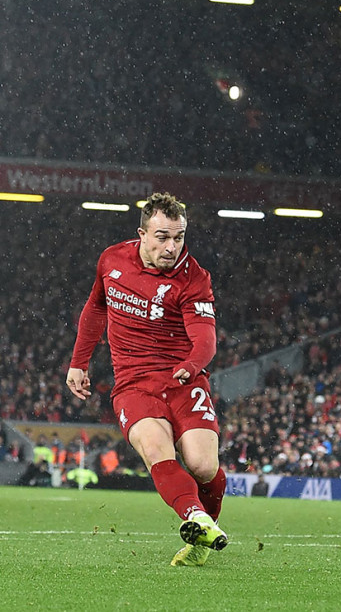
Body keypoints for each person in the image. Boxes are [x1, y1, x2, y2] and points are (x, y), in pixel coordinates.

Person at [66, 193, 228, 567]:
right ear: (142, 234)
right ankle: (196, 517)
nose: (172, 247)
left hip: (184, 381)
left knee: (203, 465)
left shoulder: (194, 278)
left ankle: (203, 532)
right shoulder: (112, 260)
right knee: (157, 450)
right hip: (133, 384)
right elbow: (95, 307)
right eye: (162, 237)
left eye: (179, 237)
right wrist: (79, 361)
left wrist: (191, 363)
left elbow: (206, 337)